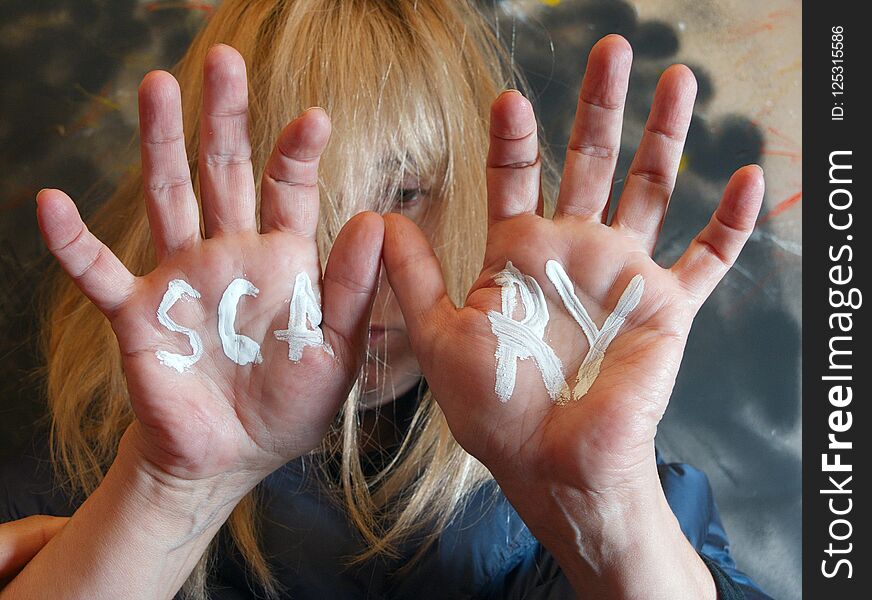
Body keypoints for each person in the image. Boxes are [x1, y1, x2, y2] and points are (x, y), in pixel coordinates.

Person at [0, 1, 772, 598]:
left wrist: (607, 514)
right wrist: (168, 492)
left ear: (474, 191)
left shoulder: (580, 433)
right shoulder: (91, 461)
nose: (356, 273)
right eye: (300, 208)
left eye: (405, 192)